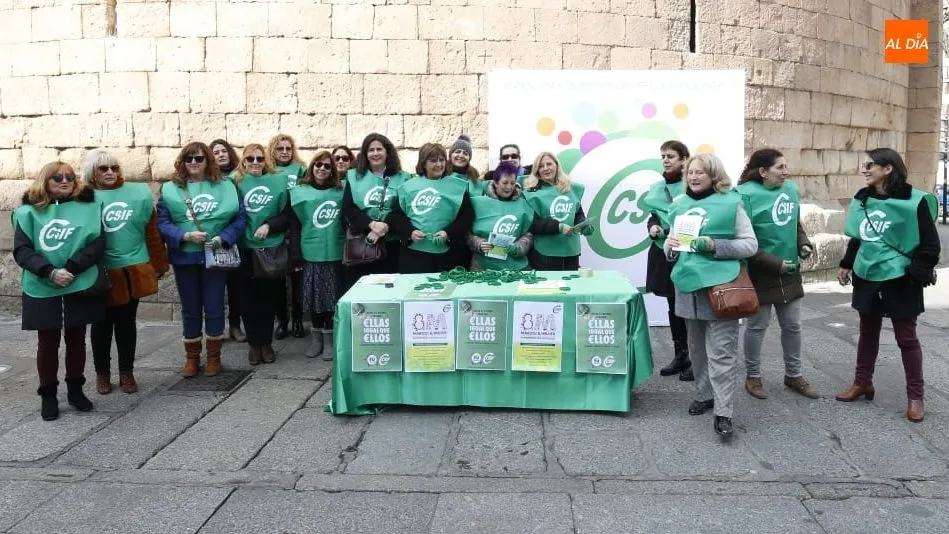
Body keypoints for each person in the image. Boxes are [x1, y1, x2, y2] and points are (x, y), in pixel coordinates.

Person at [836, 148, 940, 423]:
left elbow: (931, 245)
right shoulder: (863, 200)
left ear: (888, 169)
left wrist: (913, 274)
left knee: (906, 338)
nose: (864, 170)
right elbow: (859, 236)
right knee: (867, 331)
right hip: (867, 273)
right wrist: (847, 263)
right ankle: (863, 382)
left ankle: (915, 397)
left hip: (901, 277)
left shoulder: (914, 201)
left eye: (870, 165)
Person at [664, 153, 758, 440]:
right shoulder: (679, 205)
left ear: (714, 175)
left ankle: (723, 412)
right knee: (697, 351)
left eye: (700, 173)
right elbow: (670, 249)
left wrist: (713, 244)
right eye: (690, 172)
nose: (693, 177)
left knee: (721, 354)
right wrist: (669, 246)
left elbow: (750, 245)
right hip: (688, 288)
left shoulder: (732, 203)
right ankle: (704, 395)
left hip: (721, 289)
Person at [12, 161, 105, 421]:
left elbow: (97, 244)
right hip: (43, 283)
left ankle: (76, 391)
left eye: (70, 177)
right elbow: (22, 250)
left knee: (76, 339)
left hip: (78, 280)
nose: (65, 181)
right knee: (48, 343)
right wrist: (49, 271)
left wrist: (72, 268)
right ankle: (49, 396)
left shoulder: (89, 208)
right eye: (57, 178)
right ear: (46, 181)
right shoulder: (28, 213)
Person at [157, 142, 246, 378]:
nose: (194, 163)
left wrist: (222, 238)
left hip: (214, 256)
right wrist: (183, 235)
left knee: (215, 306)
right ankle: (192, 357)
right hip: (185, 256)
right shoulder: (170, 189)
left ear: (208, 160)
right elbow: (162, 222)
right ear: (182, 162)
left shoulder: (227, 186)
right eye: (189, 159)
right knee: (190, 308)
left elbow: (240, 218)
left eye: (199, 159)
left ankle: (214, 357)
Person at [83, 149, 169, 395]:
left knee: (126, 323)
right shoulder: (82, 198)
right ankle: (102, 374)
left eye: (114, 167)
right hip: (99, 271)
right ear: (93, 172)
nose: (110, 172)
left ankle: (126, 372)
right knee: (100, 325)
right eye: (104, 168)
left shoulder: (138, 193)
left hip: (132, 268)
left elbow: (151, 231)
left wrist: (159, 263)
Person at [737, 149, 818, 400]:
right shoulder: (744, 196)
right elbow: (743, 239)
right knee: (757, 326)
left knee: (793, 326)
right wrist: (775, 264)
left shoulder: (790, 189)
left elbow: (795, 223)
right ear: (762, 171)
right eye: (780, 167)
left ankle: (793, 375)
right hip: (760, 272)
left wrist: (803, 243)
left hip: (789, 271)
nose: (786, 172)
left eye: (786, 166)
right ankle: (753, 377)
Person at [233, 144, 290, 365]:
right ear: (243, 161)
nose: (255, 163)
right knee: (247, 299)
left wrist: (269, 225)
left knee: (268, 298)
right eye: (250, 159)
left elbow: (287, 213)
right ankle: (254, 345)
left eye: (259, 159)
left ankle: (266, 343)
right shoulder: (234, 182)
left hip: (270, 246)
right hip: (244, 247)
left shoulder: (279, 181)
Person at [643, 140, 694, 382]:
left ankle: (697, 358)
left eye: (671, 156)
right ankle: (681, 355)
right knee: (673, 305)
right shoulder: (657, 187)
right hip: (663, 253)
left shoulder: (692, 185)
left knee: (690, 306)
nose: (666, 159)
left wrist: (672, 232)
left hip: (687, 252)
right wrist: (653, 226)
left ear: (684, 159)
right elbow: (654, 215)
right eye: (663, 155)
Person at [290, 150, 345, 360]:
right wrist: (295, 255)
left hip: (334, 252)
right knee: (313, 298)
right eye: (318, 164)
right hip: (310, 253)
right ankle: (316, 338)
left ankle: (330, 340)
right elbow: (294, 226)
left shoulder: (340, 191)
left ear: (333, 170)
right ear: (312, 167)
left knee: (331, 298)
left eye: (327, 166)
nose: (322, 168)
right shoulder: (299, 192)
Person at [389, 143, 474, 273]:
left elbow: (466, 217)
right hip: (414, 254)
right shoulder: (407, 187)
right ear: (423, 163)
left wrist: (448, 233)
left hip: (448, 254)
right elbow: (395, 216)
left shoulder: (458, 187)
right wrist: (410, 232)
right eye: (433, 161)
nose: (439, 164)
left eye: (441, 160)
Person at [341, 133, 411, 289]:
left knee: (388, 289)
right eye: (371, 150)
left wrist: (384, 227)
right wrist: (371, 225)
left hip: (391, 244)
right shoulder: (353, 176)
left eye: (379, 149)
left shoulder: (404, 178)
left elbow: (402, 208)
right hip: (362, 243)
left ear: (387, 152)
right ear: (365, 154)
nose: (375, 153)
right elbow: (348, 208)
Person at [466, 160, 564, 271]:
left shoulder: (523, 203)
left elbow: (529, 233)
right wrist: (478, 243)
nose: (509, 187)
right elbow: (465, 232)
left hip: (516, 268)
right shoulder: (477, 203)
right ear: (496, 182)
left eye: (512, 183)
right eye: (505, 182)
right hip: (483, 268)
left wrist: (518, 248)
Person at [522, 152, 591, 270]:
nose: (545, 168)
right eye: (541, 166)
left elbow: (578, 213)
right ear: (536, 170)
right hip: (545, 253)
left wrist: (583, 224)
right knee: (548, 288)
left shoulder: (571, 188)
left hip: (571, 250)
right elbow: (531, 223)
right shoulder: (530, 193)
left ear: (557, 166)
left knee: (571, 286)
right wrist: (558, 227)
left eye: (549, 164)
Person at [268, 133, 306, 339]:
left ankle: (298, 320)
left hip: (296, 228)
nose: (284, 152)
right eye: (280, 148)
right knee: (277, 279)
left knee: (297, 278)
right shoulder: (268, 170)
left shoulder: (301, 169)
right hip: (276, 226)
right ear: (273, 150)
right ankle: (282, 321)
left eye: (288, 148)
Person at [210, 138, 246, 343]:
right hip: (210, 240)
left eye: (224, 151)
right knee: (213, 288)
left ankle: (234, 325)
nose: (221, 155)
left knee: (236, 287)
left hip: (234, 239)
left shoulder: (238, 177)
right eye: (216, 152)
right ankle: (216, 327)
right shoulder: (205, 181)